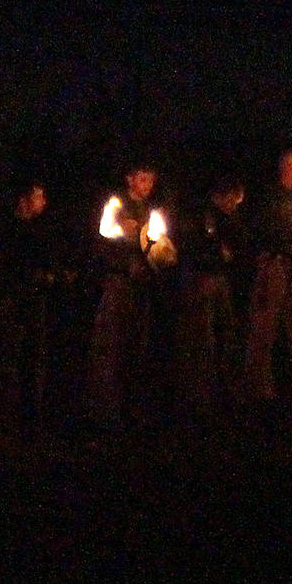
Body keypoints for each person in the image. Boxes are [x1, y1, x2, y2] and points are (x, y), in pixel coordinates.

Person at [84, 161, 175, 430]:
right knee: (110, 345)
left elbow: (156, 245)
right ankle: (103, 411)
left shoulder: (150, 210)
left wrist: (159, 256)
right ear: (130, 179)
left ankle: (132, 407)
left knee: (137, 345)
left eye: (151, 179)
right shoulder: (116, 206)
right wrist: (126, 262)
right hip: (118, 283)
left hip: (143, 286)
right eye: (143, 179)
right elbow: (103, 242)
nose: (148, 185)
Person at [243, 149, 292, 402]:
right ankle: (259, 387)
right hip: (274, 265)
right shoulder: (269, 197)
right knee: (265, 324)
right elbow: (261, 230)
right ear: (289, 167)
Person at [175, 175, 244, 418]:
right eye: (232, 200)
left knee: (224, 333)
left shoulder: (227, 217)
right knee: (202, 338)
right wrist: (217, 252)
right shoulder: (202, 215)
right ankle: (199, 396)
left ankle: (222, 389)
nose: (234, 205)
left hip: (219, 279)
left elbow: (235, 245)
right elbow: (195, 247)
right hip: (202, 280)